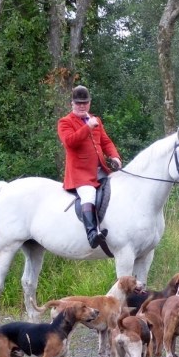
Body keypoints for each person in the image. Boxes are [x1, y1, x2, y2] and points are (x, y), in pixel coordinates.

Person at [57, 85, 122, 248]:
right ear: (72, 103)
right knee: (88, 195)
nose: (81, 106)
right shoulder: (65, 122)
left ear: (89, 103)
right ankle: (92, 233)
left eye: (84, 103)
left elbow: (105, 142)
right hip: (80, 175)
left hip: (101, 171)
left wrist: (114, 156)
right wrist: (88, 127)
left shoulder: (96, 120)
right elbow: (70, 142)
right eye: (78, 103)